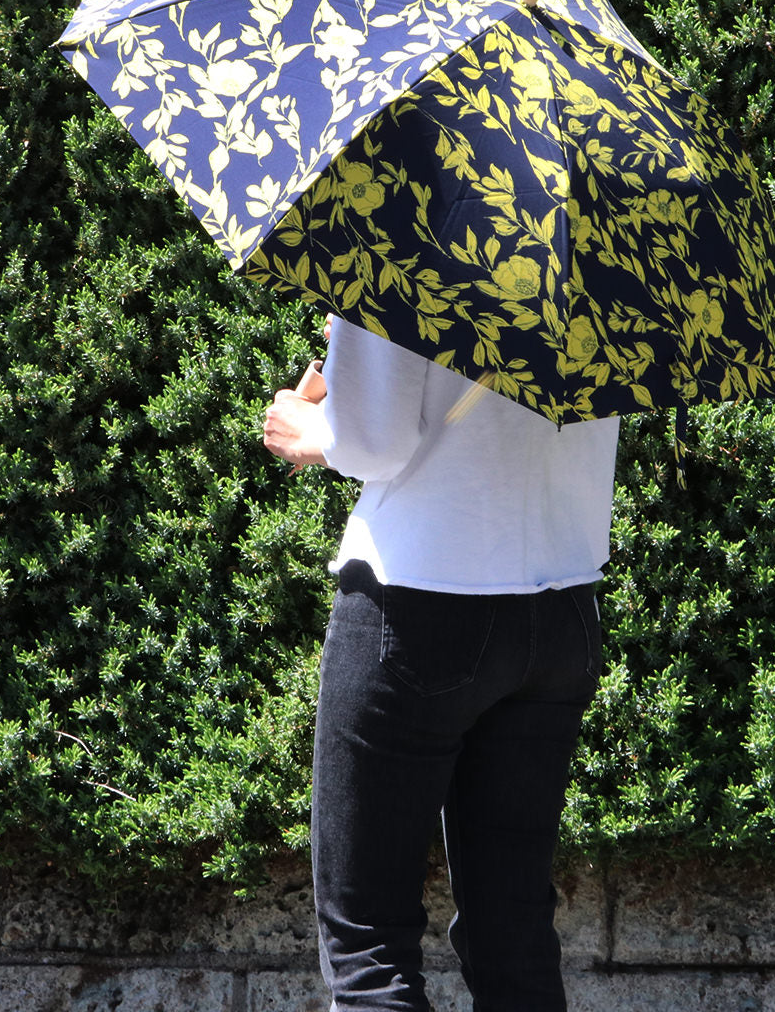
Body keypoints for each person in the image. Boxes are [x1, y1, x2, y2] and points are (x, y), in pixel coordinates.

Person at [262, 315, 619, 1012]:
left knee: (368, 946)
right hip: (561, 603)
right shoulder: (609, 263)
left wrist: (305, 428)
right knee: (514, 931)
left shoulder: (396, 250)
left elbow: (373, 440)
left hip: (419, 598)